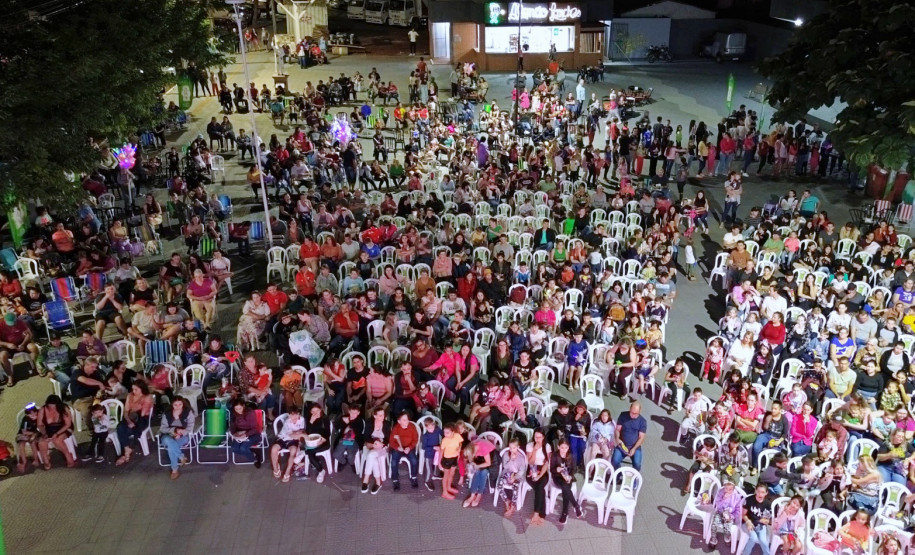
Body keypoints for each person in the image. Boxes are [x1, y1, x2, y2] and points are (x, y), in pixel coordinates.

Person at [114, 381, 155, 466]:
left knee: (133, 428)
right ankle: (127, 449)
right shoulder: (130, 395)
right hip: (131, 417)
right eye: (133, 389)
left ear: (142, 389)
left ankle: (126, 452)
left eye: (136, 389)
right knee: (120, 427)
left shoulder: (147, 397)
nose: (134, 391)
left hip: (142, 418)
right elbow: (125, 411)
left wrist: (137, 405)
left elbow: (143, 413)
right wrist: (129, 420)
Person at [159, 397, 196, 479]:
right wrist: (174, 431)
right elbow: (162, 428)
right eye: (175, 405)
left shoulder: (188, 413)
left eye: (180, 404)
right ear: (172, 405)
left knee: (171, 447)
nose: (178, 406)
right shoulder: (167, 414)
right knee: (169, 441)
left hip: (182, 436)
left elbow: (190, 428)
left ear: (183, 404)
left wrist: (181, 433)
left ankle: (175, 469)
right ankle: (181, 457)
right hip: (167, 436)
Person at [36, 394, 76, 469]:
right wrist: (44, 433)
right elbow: (40, 424)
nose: (52, 408)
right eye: (49, 406)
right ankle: (46, 460)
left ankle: (68, 455)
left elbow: (68, 424)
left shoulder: (63, 408)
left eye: (53, 406)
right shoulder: (43, 409)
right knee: (42, 442)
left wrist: (57, 433)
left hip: (63, 428)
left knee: (57, 440)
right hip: (49, 429)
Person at [525, 428, 552, 526]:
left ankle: (536, 513)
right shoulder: (530, 445)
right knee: (540, 489)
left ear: (543, 437)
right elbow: (530, 462)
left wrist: (540, 475)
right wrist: (535, 450)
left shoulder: (547, 446)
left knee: (539, 486)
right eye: (536, 437)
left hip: (542, 470)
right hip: (532, 469)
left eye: (540, 437)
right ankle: (542, 514)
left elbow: (546, 463)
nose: (537, 439)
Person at [612, 401, 646, 471]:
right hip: (622, 445)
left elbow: (641, 437)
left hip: (635, 446)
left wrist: (634, 448)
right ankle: (618, 475)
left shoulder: (642, 421)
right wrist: (617, 439)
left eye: (635, 413)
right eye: (631, 412)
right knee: (614, 461)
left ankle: (634, 479)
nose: (633, 415)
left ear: (639, 412)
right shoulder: (623, 415)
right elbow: (617, 429)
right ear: (630, 409)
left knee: (637, 463)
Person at [228, 399, 264, 467]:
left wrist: (245, 434)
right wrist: (234, 434)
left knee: (243, 448)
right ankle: (253, 454)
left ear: (243, 406)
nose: (238, 410)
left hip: (253, 434)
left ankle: (255, 458)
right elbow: (232, 427)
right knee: (234, 448)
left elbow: (255, 428)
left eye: (240, 408)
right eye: (236, 409)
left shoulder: (250, 413)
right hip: (240, 433)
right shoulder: (234, 414)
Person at [389, 411, 419, 490]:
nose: (407, 421)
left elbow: (415, 439)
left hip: (409, 447)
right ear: (399, 421)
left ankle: (414, 477)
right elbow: (391, 442)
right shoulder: (396, 428)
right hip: (398, 448)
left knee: (414, 461)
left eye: (407, 419)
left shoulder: (412, 427)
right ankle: (395, 479)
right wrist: (397, 447)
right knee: (394, 462)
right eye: (404, 420)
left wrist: (409, 447)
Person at [741, 483, 773, 555]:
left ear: (766, 493)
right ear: (755, 490)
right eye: (758, 491)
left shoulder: (768, 504)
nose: (760, 494)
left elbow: (768, 519)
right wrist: (748, 521)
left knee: (763, 540)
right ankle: (745, 553)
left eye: (763, 492)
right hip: (747, 522)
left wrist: (766, 521)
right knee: (753, 538)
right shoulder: (749, 500)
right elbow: (743, 514)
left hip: (760, 525)